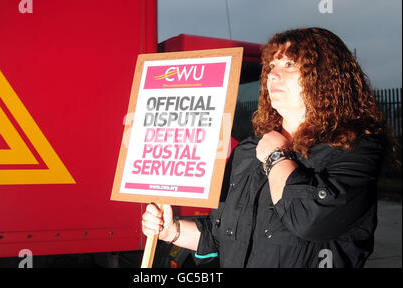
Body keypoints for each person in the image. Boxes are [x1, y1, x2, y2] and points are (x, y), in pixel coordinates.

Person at [141, 27, 392, 268]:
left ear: (325, 76)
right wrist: (172, 231)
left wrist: (276, 157)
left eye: (289, 65)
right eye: (272, 65)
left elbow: (310, 220)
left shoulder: (354, 147)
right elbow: (222, 235)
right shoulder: (250, 150)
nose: (272, 74)